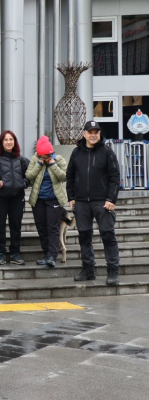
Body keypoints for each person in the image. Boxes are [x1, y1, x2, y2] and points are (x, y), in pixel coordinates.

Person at [66, 121, 121, 286]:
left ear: (99, 134)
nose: (93, 134)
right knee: (84, 236)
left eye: (96, 131)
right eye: (90, 131)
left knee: (108, 235)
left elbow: (115, 177)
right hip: (82, 202)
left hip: (102, 202)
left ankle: (113, 271)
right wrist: (71, 197)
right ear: (84, 134)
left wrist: (111, 199)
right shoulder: (76, 153)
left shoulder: (107, 152)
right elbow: (70, 176)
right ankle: (88, 270)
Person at [0, 130, 29, 265]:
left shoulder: (20, 159)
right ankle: (0, 253)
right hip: (0, 197)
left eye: (11, 140)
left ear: (14, 142)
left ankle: (15, 253)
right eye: (6, 140)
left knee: (15, 226)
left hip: (17, 197)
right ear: (1, 142)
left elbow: (29, 175)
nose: (9, 142)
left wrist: (24, 183)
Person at [26, 136, 69, 268]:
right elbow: (29, 176)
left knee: (52, 227)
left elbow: (65, 176)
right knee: (42, 227)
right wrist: (39, 164)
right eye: (42, 156)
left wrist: (53, 165)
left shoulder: (58, 159)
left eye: (47, 156)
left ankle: (52, 255)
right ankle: (46, 254)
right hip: (38, 200)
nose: (45, 158)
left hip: (54, 199)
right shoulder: (35, 160)